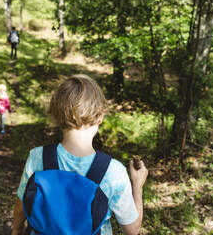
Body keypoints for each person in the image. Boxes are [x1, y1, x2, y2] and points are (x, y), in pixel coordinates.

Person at [12, 74, 148, 235]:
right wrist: (137, 186)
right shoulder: (113, 172)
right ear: (100, 116)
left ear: (56, 114)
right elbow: (132, 230)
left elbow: (21, 207)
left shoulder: (38, 157)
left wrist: (16, 230)